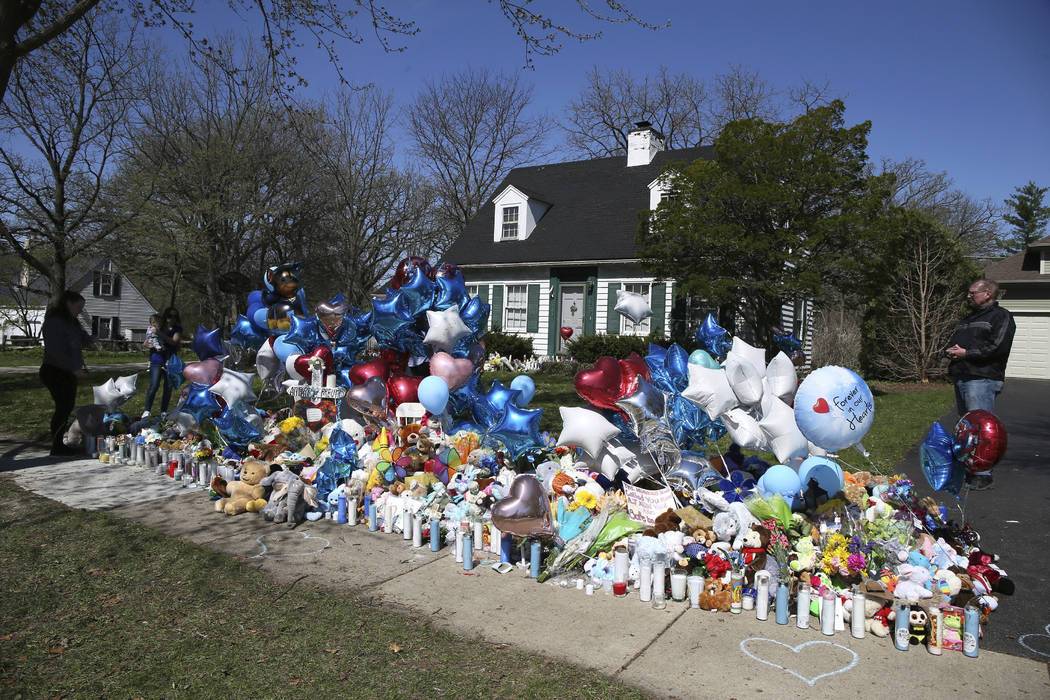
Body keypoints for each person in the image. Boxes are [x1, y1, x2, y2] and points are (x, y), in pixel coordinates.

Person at [945, 278, 1015, 490]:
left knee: (982, 428)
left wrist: (967, 353)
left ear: (987, 294)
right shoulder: (968, 319)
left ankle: (982, 473)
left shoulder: (1001, 317)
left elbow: (998, 347)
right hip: (963, 376)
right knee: (967, 428)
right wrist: (951, 351)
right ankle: (968, 468)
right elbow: (955, 342)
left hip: (982, 379)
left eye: (973, 293)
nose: (969, 296)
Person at [39, 290, 92, 456]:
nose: (80, 311)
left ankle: (59, 443)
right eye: (79, 307)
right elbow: (55, 351)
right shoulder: (55, 322)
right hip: (55, 371)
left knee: (66, 407)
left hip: (68, 373)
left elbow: (81, 338)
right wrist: (73, 368)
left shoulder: (72, 322)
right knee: (63, 407)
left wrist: (90, 339)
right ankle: (57, 445)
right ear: (68, 303)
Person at [142, 307, 182, 418]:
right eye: (170, 316)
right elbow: (146, 342)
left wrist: (159, 333)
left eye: (175, 316)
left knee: (168, 387)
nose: (172, 319)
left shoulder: (177, 329)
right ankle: (147, 410)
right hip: (156, 359)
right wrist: (154, 346)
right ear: (165, 316)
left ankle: (163, 411)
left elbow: (173, 342)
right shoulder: (158, 326)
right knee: (154, 385)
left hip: (171, 361)